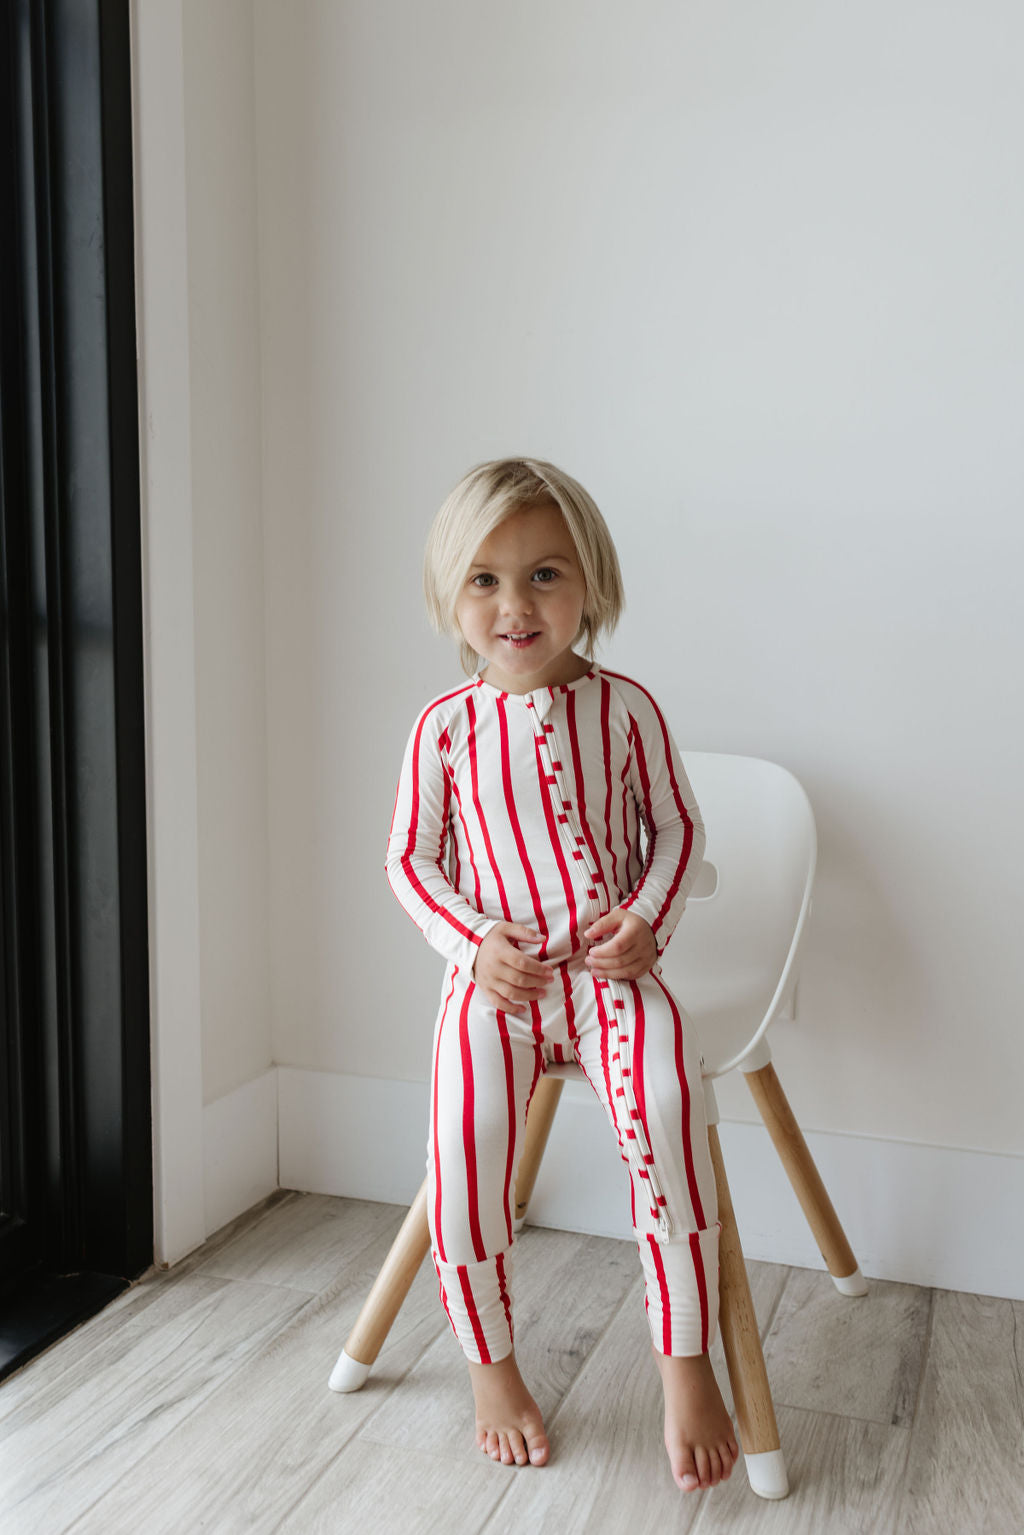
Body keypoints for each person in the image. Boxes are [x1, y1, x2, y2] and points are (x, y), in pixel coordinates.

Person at [385, 457, 738, 1492]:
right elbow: (410, 857)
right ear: (451, 595)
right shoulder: (442, 729)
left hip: (612, 975)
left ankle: (685, 1359)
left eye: (544, 573)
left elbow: (675, 827)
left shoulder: (626, 709)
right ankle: (489, 1364)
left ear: (590, 582)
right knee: (463, 1143)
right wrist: (471, 943)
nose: (515, 603)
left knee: (668, 1111)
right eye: (484, 578)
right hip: (498, 982)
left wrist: (644, 920)